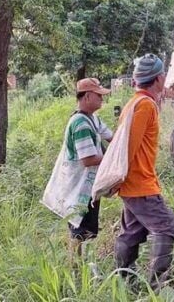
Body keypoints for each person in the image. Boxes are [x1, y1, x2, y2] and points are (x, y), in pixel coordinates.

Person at [114, 54, 174, 290]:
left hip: (132, 184)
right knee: (167, 227)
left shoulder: (136, 102)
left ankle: (124, 282)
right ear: (158, 78)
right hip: (139, 184)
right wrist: (121, 178)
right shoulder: (145, 105)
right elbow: (128, 147)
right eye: (163, 75)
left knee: (132, 232)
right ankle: (157, 287)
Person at [65, 78, 114, 260]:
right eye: (98, 95)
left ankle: (80, 264)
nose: (102, 98)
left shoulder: (92, 119)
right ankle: (75, 268)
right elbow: (88, 159)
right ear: (87, 97)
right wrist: (112, 159)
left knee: (84, 228)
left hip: (88, 184)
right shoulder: (81, 124)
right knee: (78, 229)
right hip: (79, 186)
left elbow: (112, 137)